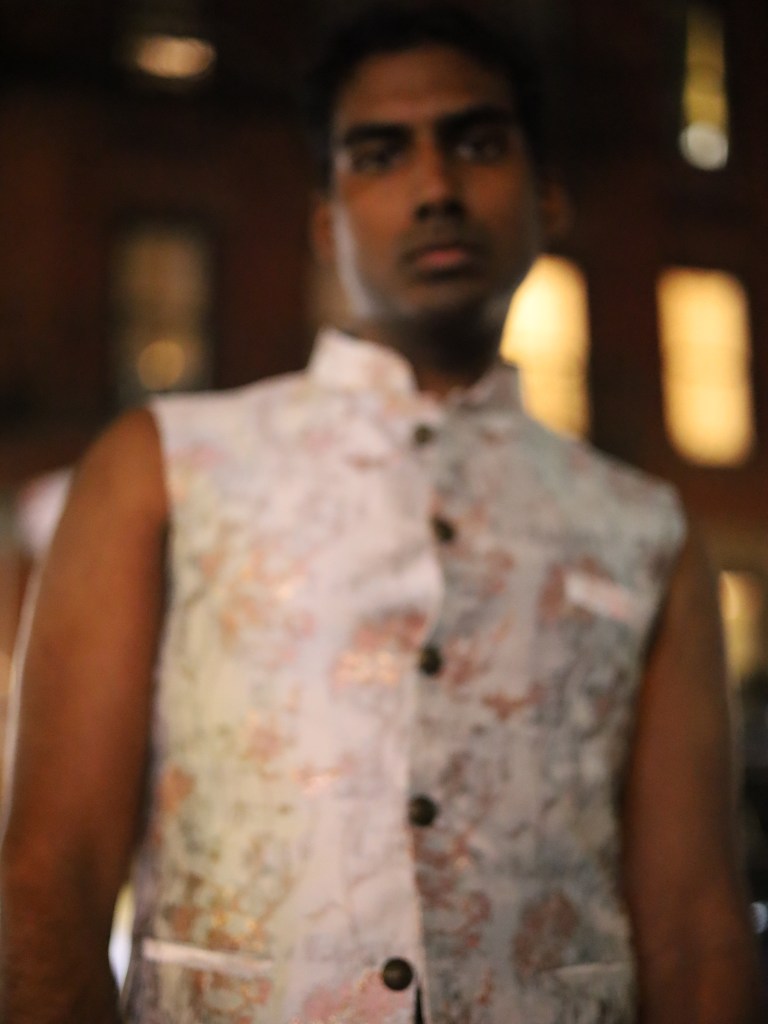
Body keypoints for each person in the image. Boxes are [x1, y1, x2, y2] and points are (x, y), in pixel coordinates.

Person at [0, 4, 761, 1022]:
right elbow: (49, 876)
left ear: (548, 196)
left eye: (476, 144)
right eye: (380, 154)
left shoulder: (648, 530)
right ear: (326, 221)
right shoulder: (161, 467)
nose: (435, 189)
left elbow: (696, 928)